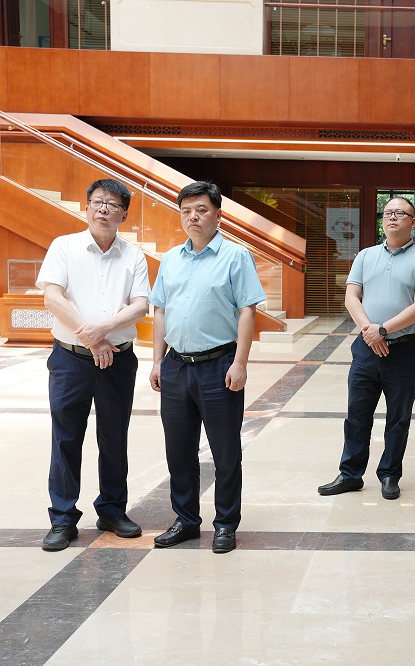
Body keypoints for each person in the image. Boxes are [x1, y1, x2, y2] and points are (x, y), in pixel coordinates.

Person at [149, 181, 265, 554]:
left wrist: (240, 362)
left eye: (201, 210)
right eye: (186, 211)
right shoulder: (171, 259)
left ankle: (226, 523)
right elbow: (160, 310)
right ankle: (185, 520)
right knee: (178, 450)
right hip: (176, 366)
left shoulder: (236, 256)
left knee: (225, 450)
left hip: (219, 366)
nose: (193, 217)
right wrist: (157, 360)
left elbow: (247, 311)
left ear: (218, 215)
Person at [36, 178, 150, 551]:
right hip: (71, 359)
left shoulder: (133, 256)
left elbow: (140, 305)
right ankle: (62, 518)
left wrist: (104, 330)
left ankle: (113, 511)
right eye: (98, 201)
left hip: (119, 360)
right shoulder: (64, 247)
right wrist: (94, 338)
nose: (104, 209)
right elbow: (52, 297)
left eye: (112, 204)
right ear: (86, 207)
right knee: (66, 437)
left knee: (114, 437)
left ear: (124, 215)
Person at [318, 197, 415, 501]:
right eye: (388, 213)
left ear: (413, 222)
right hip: (366, 348)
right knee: (357, 414)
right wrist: (370, 332)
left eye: (400, 213)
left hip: (405, 350)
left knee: (398, 418)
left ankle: (389, 475)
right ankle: (350, 474)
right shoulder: (365, 256)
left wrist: (382, 329)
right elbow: (351, 297)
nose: (393, 217)